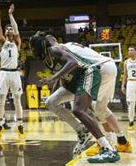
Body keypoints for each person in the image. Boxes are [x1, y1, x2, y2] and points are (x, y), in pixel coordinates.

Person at [29, 32, 120, 163]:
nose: (31, 50)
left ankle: (108, 149)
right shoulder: (46, 59)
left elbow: (73, 62)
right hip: (74, 82)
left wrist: (52, 78)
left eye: (32, 47)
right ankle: (82, 132)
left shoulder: (54, 49)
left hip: (88, 73)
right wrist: (54, 91)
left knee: (78, 110)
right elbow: (63, 76)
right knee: (50, 102)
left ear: (39, 45)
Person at [42, 40, 132, 157]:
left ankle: (106, 143)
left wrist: (54, 79)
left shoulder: (59, 50)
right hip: (108, 65)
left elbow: (72, 65)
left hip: (99, 68)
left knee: (94, 108)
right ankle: (121, 141)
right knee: (99, 108)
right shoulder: (69, 45)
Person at [0, 4, 25, 140]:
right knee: (2, 99)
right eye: (8, 29)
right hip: (4, 73)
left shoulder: (17, 42)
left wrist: (10, 14)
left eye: (11, 29)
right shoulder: (1, 41)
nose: (9, 30)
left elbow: (16, 29)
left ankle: (20, 125)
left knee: (17, 99)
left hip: (15, 73)